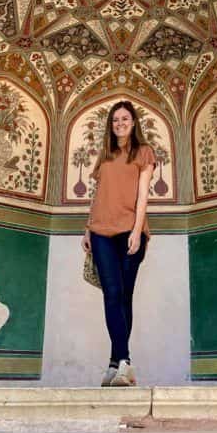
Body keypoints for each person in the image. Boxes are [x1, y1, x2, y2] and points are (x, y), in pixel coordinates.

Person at [82, 99, 156, 387]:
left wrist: (137, 231)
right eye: (115, 120)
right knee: (111, 294)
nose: (120, 124)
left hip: (129, 230)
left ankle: (117, 364)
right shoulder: (105, 156)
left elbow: (143, 196)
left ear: (133, 123)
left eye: (124, 119)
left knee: (124, 296)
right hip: (100, 231)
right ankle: (123, 362)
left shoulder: (143, 152)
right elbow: (97, 195)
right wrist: (88, 229)